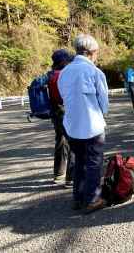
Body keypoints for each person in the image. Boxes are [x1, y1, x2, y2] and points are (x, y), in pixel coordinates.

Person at [58, 34, 109, 213]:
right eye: (96, 53)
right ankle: (92, 200)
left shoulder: (64, 72)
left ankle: (78, 199)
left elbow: (64, 97)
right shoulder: (95, 72)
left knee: (79, 161)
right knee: (94, 162)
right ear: (91, 52)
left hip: (71, 125)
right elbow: (104, 103)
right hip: (92, 124)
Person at [48, 49, 74, 187]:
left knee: (61, 142)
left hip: (55, 113)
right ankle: (71, 177)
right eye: (68, 59)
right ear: (63, 61)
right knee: (73, 143)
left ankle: (58, 174)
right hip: (65, 112)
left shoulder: (51, 75)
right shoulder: (63, 76)